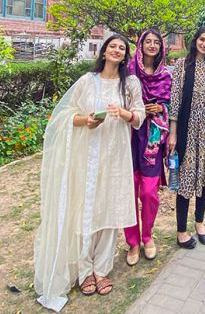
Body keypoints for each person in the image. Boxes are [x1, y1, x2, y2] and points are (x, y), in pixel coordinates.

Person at [34, 34, 145, 312]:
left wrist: (124, 113)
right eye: (112, 46)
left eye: (122, 48)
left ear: (126, 55)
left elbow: (140, 116)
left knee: (110, 209)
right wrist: (87, 120)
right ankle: (84, 271)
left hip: (116, 156)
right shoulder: (87, 81)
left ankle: (102, 269)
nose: (117, 50)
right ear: (104, 51)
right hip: (89, 156)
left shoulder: (130, 83)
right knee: (87, 210)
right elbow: (64, 116)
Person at [168, 26, 205, 248]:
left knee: (204, 176)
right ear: (195, 40)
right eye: (202, 39)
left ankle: (200, 222)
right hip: (187, 131)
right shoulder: (182, 65)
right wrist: (173, 133)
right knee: (185, 178)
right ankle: (181, 230)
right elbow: (175, 100)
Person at [124, 29, 171, 265]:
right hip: (129, 135)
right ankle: (132, 242)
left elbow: (171, 104)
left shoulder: (166, 75)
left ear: (161, 47)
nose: (152, 45)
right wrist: (138, 109)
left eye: (156, 43)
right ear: (140, 45)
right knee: (129, 190)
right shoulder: (128, 71)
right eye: (148, 42)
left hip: (152, 139)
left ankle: (147, 236)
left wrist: (160, 108)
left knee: (149, 193)